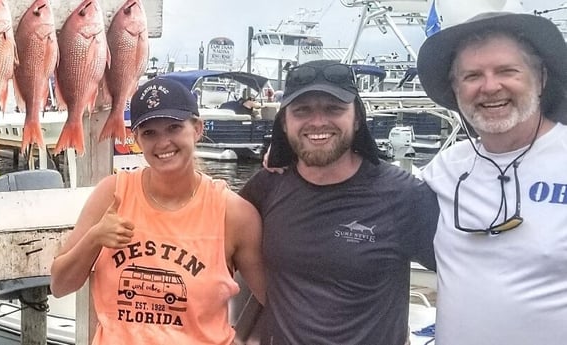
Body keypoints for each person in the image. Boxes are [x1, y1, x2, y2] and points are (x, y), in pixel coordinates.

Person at [49, 77, 267, 344]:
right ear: (136, 138)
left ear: (197, 129)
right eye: (149, 132)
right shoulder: (113, 193)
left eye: (174, 128)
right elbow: (60, 285)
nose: (163, 142)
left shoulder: (232, 213)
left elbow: (278, 302)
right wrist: (94, 238)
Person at [237, 59, 438, 344]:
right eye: (302, 110)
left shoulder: (403, 195)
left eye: (334, 109)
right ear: (284, 122)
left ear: (357, 119)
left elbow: (471, 275)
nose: (318, 121)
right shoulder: (266, 187)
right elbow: (212, 248)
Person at [416, 12, 567, 344]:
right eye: (472, 76)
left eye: (506, 71)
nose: (489, 86)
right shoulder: (444, 169)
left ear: (541, 78)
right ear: (455, 90)